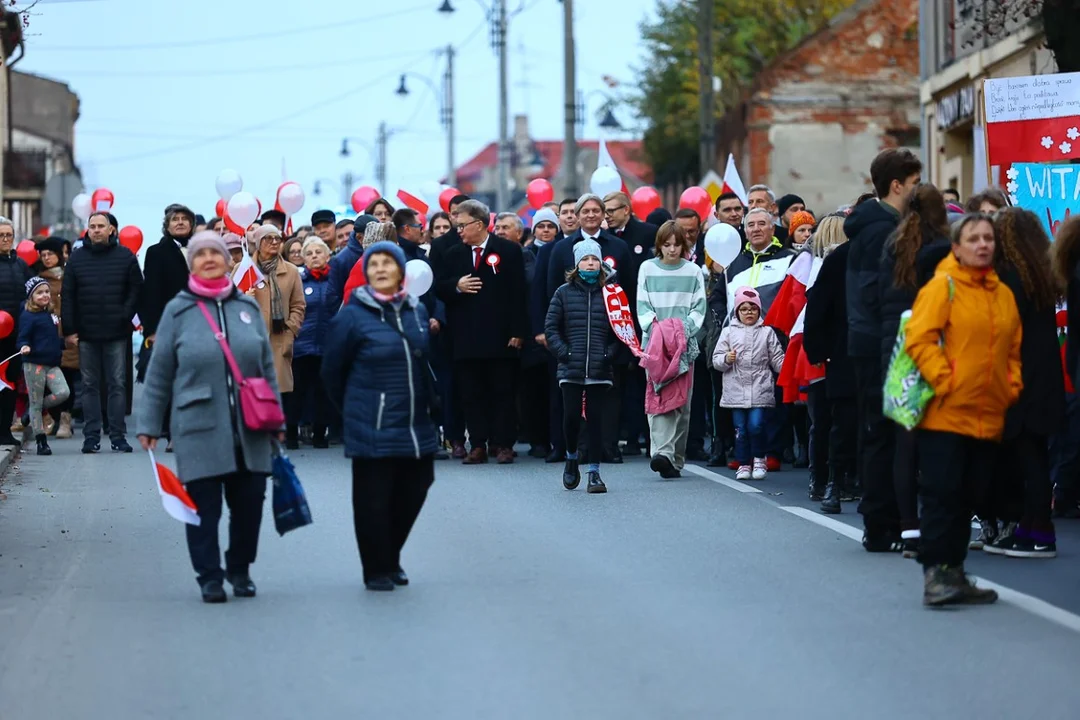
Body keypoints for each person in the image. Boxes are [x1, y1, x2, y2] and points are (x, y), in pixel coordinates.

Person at [137, 231, 280, 604]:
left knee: (249, 507)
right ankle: (209, 576)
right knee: (204, 511)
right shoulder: (178, 311)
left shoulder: (246, 307)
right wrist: (149, 424)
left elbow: (266, 367)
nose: (209, 259)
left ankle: (240, 568)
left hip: (251, 426)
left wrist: (277, 420)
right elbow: (160, 370)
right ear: (192, 264)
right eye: (200, 255)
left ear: (229, 261)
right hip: (198, 425)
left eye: (215, 254)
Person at [906, 213, 1020, 607]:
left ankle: (955, 571)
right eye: (973, 238)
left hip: (989, 412)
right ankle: (936, 574)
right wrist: (945, 381)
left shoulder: (1002, 293)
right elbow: (919, 340)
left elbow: (1013, 350)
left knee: (970, 494)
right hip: (946, 413)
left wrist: (1011, 387)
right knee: (943, 494)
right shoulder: (943, 286)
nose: (983, 244)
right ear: (957, 247)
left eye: (988, 237)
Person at [322, 241, 439, 592]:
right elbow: (331, 371)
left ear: (401, 271)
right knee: (373, 499)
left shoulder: (415, 310)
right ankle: (376, 568)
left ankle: (390, 556)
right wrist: (354, 412)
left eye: (389, 263)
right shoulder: (351, 315)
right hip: (370, 419)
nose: (382, 269)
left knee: (417, 487)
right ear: (367, 273)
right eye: (375, 265)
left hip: (416, 420)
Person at [845, 148, 922, 552]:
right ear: (897, 185)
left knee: (880, 433)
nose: (917, 191)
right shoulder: (883, 231)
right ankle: (880, 523)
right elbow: (877, 294)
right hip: (878, 340)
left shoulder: (873, 225)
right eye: (914, 184)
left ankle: (882, 519)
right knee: (881, 434)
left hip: (868, 338)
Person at [874, 183, 951, 549]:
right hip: (939, 346)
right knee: (938, 439)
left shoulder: (893, 245)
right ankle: (940, 518)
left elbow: (881, 302)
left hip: (901, 350)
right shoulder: (945, 251)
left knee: (905, 443)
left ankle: (908, 523)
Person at [983, 208, 1064, 558]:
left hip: (1019, 372)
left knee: (1026, 455)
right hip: (1045, 372)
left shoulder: (1008, 276)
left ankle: (1038, 531)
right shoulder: (1044, 273)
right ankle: (1033, 525)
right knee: (1036, 455)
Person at [434, 199, 528, 464]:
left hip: (502, 335)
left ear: (478, 224)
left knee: (503, 392)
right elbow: (437, 287)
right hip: (465, 335)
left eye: (462, 225)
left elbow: (519, 293)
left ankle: (504, 443)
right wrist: (457, 285)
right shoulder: (453, 253)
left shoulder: (508, 251)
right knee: (471, 393)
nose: (459, 230)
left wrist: (518, 331)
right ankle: (478, 444)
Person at [62, 212, 143, 454]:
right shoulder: (77, 259)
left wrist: (125, 314)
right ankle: (91, 437)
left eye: (101, 226)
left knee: (117, 384)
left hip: (117, 332)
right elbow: (68, 296)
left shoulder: (125, 256)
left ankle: (118, 436)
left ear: (111, 230)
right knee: (89, 385)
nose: (96, 230)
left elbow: (136, 288)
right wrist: (69, 330)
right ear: (87, 230)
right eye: (92, 226)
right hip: (86, 333)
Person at [544, 238, 618, 494]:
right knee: (572, 416)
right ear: (577, 264)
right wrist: (564, 352)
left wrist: (609, 355)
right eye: (585, 259)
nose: (590, 263)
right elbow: (551, 328)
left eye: (594, 259)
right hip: (571, 366)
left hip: (599, 367)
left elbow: (622, 330)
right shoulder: (563, 293)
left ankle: (594, 472)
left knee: (596, 419)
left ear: (601, 263)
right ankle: (571, 456)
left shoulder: (612, 293)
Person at [637, 221, 707, 479]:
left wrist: (681, 331)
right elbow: (642, 305)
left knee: (681, 402)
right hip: (655, 343)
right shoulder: (647, 268)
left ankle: (675, 458)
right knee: (657, 397)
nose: (672, 249)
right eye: (667, 244)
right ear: (659, 245)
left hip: (683, 344)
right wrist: (658, 331)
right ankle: (661, 453)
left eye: (677, 244)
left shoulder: (693, 271)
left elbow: (699, 307)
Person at [802, 216, 857, 511]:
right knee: (837, 421)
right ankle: (832, 481)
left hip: (864, 351)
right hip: (842, 353)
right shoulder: (838, 260)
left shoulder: (890, 253)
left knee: (846, 423)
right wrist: (818, 350)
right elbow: (818, 306)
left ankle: (843, 482)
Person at [713, 286, 784, 480]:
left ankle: (759, 458)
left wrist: (788, 369)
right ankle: (744, 463)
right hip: (735, 389)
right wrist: (727, 359)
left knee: (756, 425)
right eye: (743, 309)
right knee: (740, 430)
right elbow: (716, 360)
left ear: (759, 310)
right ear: (737, 311)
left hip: (760, 387)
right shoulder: (728, 332)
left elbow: (777, 359)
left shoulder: (767, 332)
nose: (749, 313)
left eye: (752, 308)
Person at [140, 203, 196, 448]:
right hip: (168, 325)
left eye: (185, 219)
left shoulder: (202, 249)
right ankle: (173, 432)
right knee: (172, 379)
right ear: (167, 225)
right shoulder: (156, 252)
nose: (181, 222)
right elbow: (150, 293)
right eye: (176, 219)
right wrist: (151, 329)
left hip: (199, 323)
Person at [248, 224, 306, 447]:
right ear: (258, 242)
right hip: (252, 337)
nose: (274, 242)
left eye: (278, 238)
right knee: (255, 388)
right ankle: (257, 434)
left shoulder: (290, 271)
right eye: (268, 238)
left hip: (280, 336)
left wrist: (291, 328)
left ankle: (285, 435)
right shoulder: (245, 269)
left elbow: (299, 305)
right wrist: (245, 296)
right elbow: (231, 302)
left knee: (282, 389)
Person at [289, 236, 336, 449]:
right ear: (304, 259)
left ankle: (319, 433)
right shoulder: (298, 281)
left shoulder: (335, 281)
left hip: (327, 346)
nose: (314, 256)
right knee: (296, 392)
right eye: (309, 253)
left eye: (318, 252)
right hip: (301, 346)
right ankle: (291, 433)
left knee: (322, 392)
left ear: (328, 256)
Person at [17, 277, 70, 455]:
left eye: (47, 291)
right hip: (34, 364)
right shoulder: (28, 316)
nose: (45, 295)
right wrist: (24, 346)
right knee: (36, 402)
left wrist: (65, 343)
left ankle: (30, 411)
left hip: (52, 363)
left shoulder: (51, 314)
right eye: (39, 293)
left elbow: (51, 339)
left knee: (63, 392)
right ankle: (41, 441)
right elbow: (22, 337)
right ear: (31, 297)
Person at [35, 237, 77, 438]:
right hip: (47, 336)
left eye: (50, 254)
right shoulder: (38, 279)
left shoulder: (70, 275)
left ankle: (66, 420)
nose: (46, 258)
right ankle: (51, 417)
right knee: (49, 379)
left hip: (68, 334)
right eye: (43, 255)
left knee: (68, 377)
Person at [0, 217, 30, 445]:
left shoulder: (20, 265)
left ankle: (4, 431)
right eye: (1, 235)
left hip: (14, 337)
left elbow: (31, 297)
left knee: (9, 382)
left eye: (8, 235)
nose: (5, 239)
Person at [327, 213, 376, 309]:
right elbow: (333, 297)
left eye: (348, 234)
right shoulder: (340, 260)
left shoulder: (385, 250)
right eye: (340, 236)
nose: (345, 239)